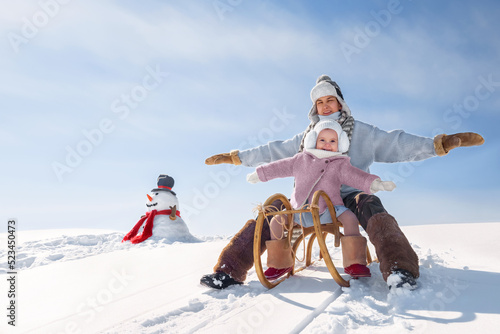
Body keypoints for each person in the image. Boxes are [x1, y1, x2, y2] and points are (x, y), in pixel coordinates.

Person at [200, 75, 485, 290]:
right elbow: (273, 152)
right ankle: (229, 270)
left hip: (347, 194)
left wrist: (438, 144)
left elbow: (397, 143)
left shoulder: (361, 132)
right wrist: (237, 157)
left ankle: (400, 270)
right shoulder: (308, 136)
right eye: (319, 102)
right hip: (307, 198)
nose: (325, 106)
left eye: (329, 100)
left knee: (370, 203)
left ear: (340, 102)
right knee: (271, 208)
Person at [246, 120, 396, 280]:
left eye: (333, 141)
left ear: (340, 144)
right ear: (313, 140)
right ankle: (280, 263)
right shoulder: (300, 160)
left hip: (329, 210)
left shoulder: (339, 164)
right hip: (298, 212)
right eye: (322, 140)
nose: (327, 144)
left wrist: (375, 183)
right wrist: (260, 174)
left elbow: (356, 176)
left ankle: (354, 262)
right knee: (276, 221)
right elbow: (279, 167)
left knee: (350, 219)